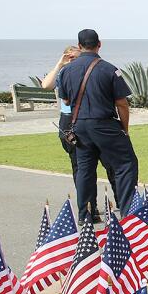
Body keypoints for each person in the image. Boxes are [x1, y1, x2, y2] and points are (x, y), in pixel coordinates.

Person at [55, 29, 139, 220]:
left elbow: (66, 101)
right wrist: (124, 129)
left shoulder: (67, 70)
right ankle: (128, 212)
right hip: (104, 124)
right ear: (99, 44)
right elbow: (122, 104)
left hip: (79, 126)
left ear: (79, 46)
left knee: (85, 170)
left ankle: (86, 216)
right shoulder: (109, 69)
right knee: (126, 164)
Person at [39, 45, 102, 218]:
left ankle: (92, 205)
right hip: (69, 122)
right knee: (80, 168)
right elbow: (46, 85)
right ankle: (88, 206)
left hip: (85, 119)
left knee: (90, 167)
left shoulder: (84, 72)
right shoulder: (64, 73)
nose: (73, 61)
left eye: (76, 57)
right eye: (70, 58)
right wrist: (60, 63)